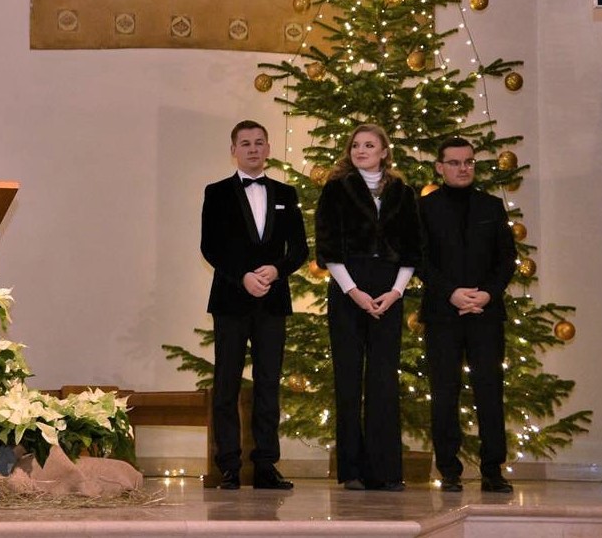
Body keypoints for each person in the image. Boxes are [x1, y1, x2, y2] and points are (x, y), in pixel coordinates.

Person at [200, 120, 308, 491]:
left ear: (268, 149)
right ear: (233, 150)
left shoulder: (286, 193)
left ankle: (265, 465)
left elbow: (299, 249)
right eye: (245, 143)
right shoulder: (216, 192)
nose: (252, 149)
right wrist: (243, 276)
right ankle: (229, 466)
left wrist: (276, 270)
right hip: (231, 300)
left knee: (268, 383)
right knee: (226, 383)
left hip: (272, 302)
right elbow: (210, 247)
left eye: (259, 142)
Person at [314, 123, 420, 491]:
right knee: (348, 379)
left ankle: (385, 471)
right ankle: (352, 471)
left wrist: (395, 292)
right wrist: (353, 292)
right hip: (349, 290)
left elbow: (413, 249)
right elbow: (328, 247)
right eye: (356, 145)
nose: (361, 150)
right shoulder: (336, 189)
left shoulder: (403, 193)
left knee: (383, 381)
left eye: (369, 145)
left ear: (384, 152)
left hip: (389, 291)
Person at [418, 137, 517, 494]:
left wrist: (487, 294)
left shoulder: (491, 205)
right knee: (444, 392)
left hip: (485, 313)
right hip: (443, 313)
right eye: (455, 162)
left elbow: (507, 258)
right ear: (439, 167)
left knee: (489, 391)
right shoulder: (424, 207)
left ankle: (493, 471)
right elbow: (420, 259)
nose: (463, 168)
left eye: (469, 162)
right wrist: (452, 293)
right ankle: (449, 470)